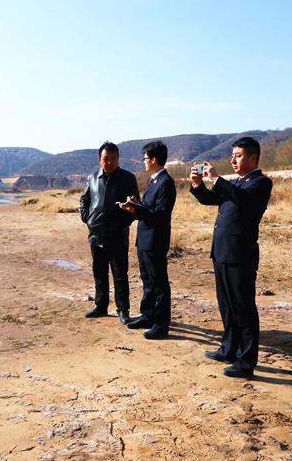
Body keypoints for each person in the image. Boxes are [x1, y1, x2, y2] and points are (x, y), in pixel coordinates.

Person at [189, 137, 272, 378]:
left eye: (238, 155)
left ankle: (246, 361)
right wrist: (197, 185)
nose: (233, 160)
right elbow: (210, 199)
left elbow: (243, 200)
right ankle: (229, 349)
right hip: (222, 252)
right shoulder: (235, 183)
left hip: (240, 254)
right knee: (226, 304)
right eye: (232, 155)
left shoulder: (260, 183)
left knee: (243, 307)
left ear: (253, 158)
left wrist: (216, 179)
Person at [119, 141, 177, 340]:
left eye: (145, 158)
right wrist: (135, 206)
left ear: (153, 159)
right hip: (144, 239)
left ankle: (161, 325)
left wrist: (137, 208)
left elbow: (160, 214)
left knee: (159, 283)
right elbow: (148, 209)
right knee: (147, 280)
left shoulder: (166, 182)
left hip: (155, 240)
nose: (143, 161)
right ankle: (148, 315)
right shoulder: (152, 181)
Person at [80, 141, 140, 324]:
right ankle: (101, 305)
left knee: (120, 274)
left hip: (118, 235)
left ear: (118, 159)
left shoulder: (128, 178)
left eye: (113, 158)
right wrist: (88, 219)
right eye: (106, 158)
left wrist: (124, 222)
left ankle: (123, 310)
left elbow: (136, 205)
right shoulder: (92, 177)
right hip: (96, 234)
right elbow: (84, 200)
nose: (109, 162)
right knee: (99, 272)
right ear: (100, 159)